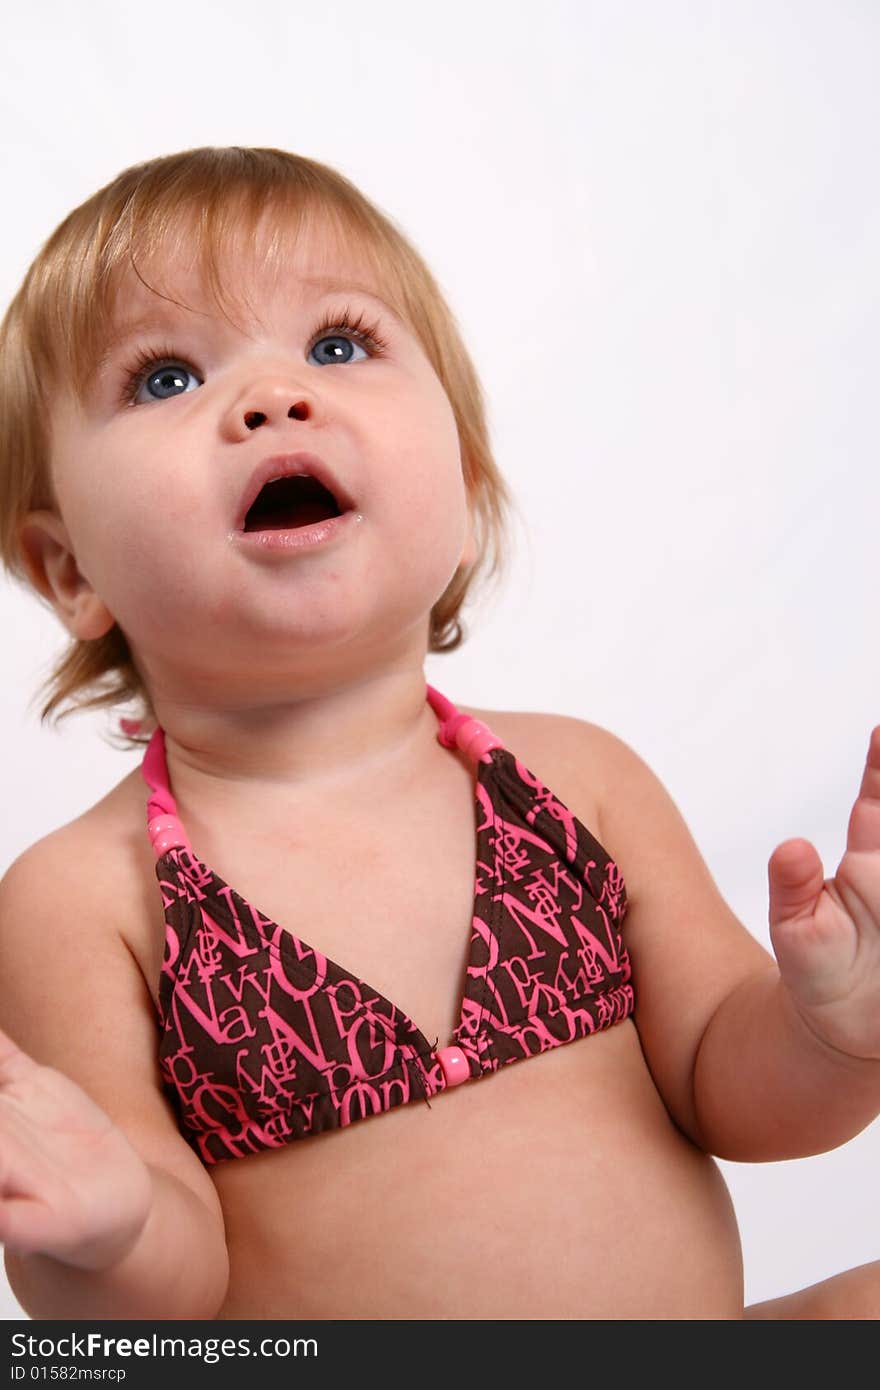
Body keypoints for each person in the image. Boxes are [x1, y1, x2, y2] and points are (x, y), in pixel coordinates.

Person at [0, 145, 877, 1322]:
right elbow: (163, 1299)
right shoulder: (84, 897)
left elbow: (738, 1088)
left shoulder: (579, 780)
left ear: (463, 493)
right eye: (163, 378)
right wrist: (104, 1235)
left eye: (338, 345)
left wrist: (831, 1038)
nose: (272, 397)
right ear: (69, 570)